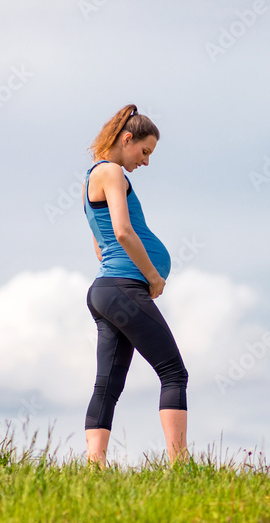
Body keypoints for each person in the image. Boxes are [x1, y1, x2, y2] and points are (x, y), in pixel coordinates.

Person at [81, 104, 189, 467]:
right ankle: (181, 463)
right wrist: (153, 276)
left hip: (105, 291)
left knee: (107, 387)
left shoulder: (91, 177)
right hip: (123, 288)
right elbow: (123, 232)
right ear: (127, 139)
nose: (145, 161)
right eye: (144, 151)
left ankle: (94, 466)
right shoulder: (111, 172)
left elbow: (100, 245)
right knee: (174, 372)